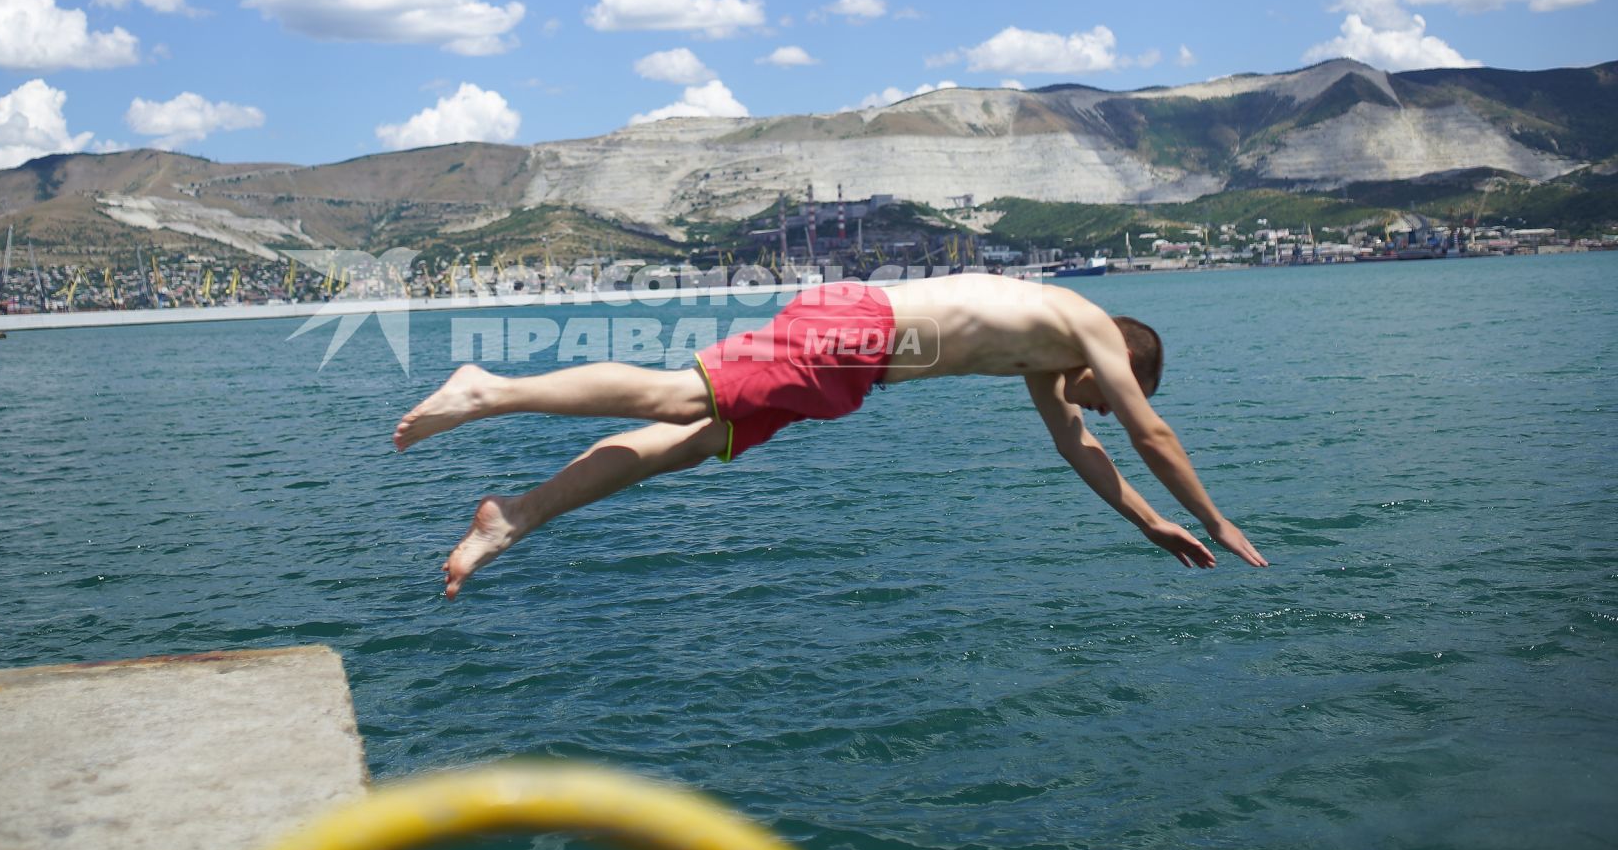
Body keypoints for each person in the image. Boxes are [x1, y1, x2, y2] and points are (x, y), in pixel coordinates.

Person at [395, 274, 1267, 597]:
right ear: (1128, 354)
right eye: (1117, 393)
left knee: (697, 440)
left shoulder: (1047, 356)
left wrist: (1144, 520)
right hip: (862, 334)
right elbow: (1148, 433)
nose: (1108, 404)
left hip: (860, 366)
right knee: (677, 399)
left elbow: (1082, 446)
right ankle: (490, 388)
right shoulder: (1092, 330)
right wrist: (1216, 518)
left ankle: (515, 517)